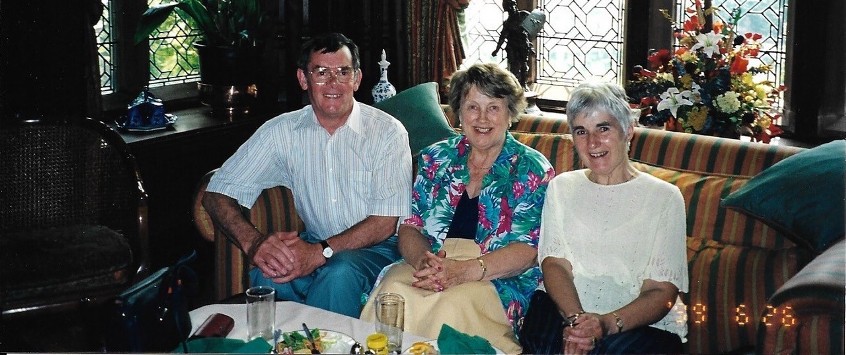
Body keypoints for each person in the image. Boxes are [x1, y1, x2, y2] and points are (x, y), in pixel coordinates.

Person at [202, 32, 412, 318]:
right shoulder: (282, 132)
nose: (333, 83)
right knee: (268, 277)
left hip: (380, 250)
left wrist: (318, 253)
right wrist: (254, 244)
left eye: (343, 72)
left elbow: (384, 224)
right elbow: (216, 193)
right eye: (321, 72)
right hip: (316, 240)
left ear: (358, 79)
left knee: (339, 274)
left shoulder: (387, 132)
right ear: (303, 79)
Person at [360, 63, 555, 353]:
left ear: (510, 114)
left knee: (451, 307)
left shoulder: (532, 168)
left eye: (494, 108)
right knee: (393, 294)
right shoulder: (436, 157)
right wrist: (424, 262)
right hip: (434, 262)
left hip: (495, 275)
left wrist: (464, 271)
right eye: (472, 107)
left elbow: (529, 251)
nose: (482, 118)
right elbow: (411, 225)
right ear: (458, 112)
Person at [526, 81, 688, 354]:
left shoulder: (665, 197)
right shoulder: (561, 187)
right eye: (581, 131)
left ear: (628, 131)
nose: (592, 142)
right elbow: (554, 264)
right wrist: (579, 322)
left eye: (604, 128)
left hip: (636, 325)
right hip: (563, 311)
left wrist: (603, 325)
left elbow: (662, 292)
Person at [491, 0, 534, 90]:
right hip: (512, 46)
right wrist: (497, 49)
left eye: (512, 6)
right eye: (508, 8)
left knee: (524, 66)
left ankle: (523, 84)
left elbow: (533, 28)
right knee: (514, 68)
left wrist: (530, 45)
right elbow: (502, 37)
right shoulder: (507, 23)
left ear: (515, 5)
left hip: (523, 45)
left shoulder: (524, 15)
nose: (511, 9)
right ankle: (514, 86)